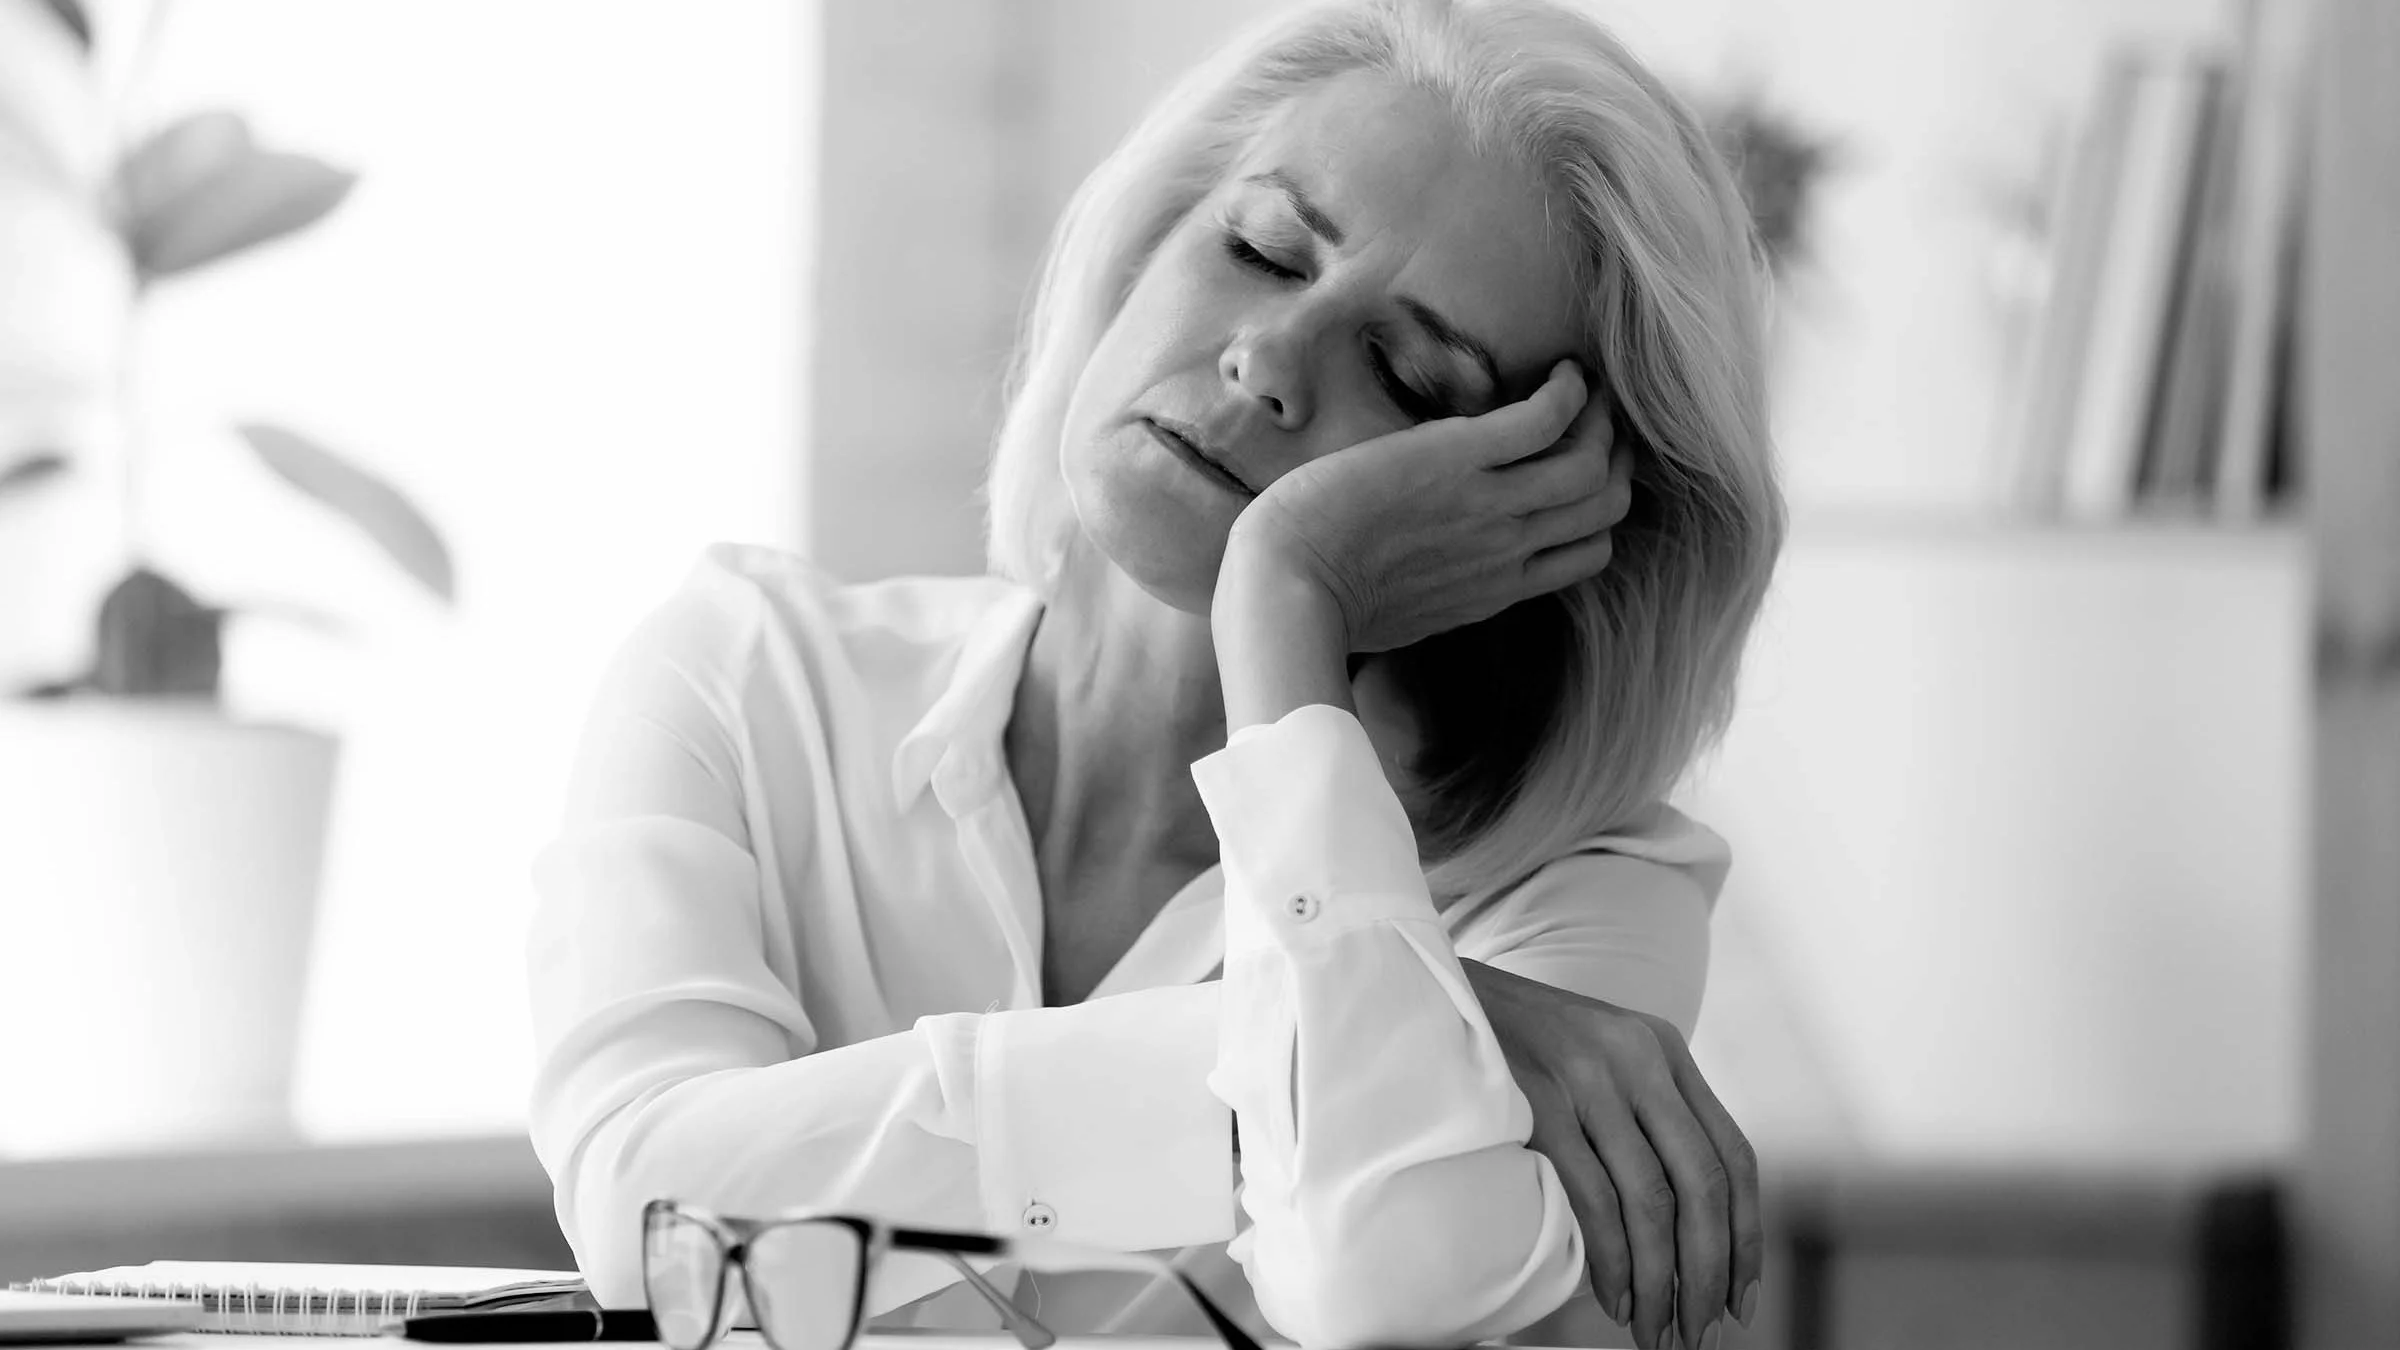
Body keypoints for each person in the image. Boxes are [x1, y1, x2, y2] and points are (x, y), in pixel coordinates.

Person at [526, 1, 1784, 1348]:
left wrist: (1286, 588)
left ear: (1545, 512)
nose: (1268, 358)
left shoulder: (1581, 907)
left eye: (1410, 375)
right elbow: (648, 1209)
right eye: (1257, 248)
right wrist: (1384, 1031)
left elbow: (1379, 1274)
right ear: (1145, 242)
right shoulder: (750, 674)